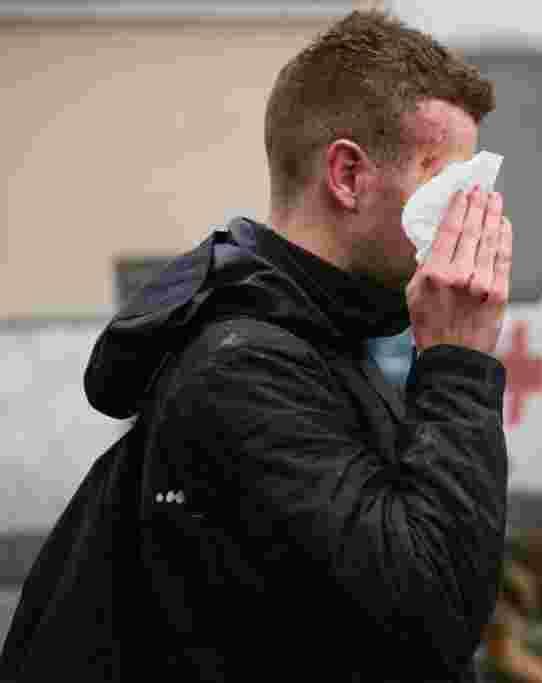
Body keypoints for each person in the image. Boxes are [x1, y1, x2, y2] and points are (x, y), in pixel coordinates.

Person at [7, 10, 514, 682]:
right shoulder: (245, 370)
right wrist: (458, 364)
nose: (468, 216)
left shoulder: (317, 338)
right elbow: (430, 611)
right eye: (447, 183)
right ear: (349, 176)